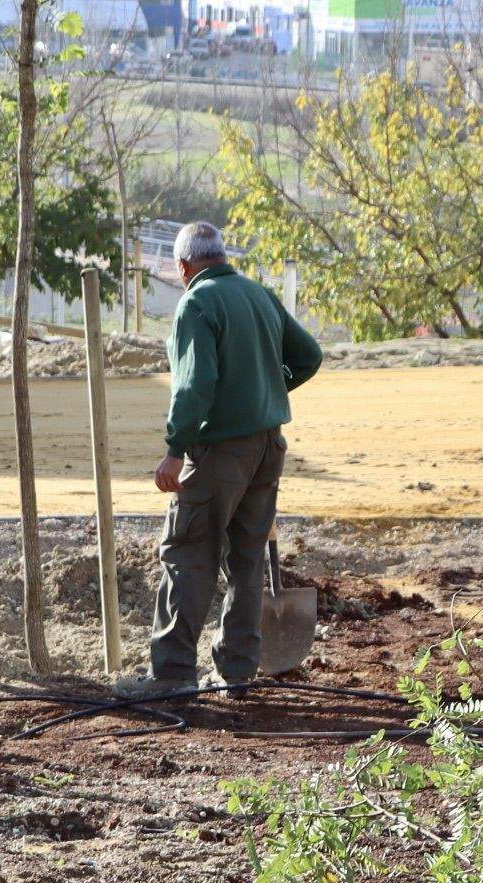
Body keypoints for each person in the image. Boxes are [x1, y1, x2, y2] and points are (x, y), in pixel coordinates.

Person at [139, 220, 324, 692]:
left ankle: (173, 674)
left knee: (189, 552)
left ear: (183, 266)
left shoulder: (196, 303)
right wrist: (264, 390)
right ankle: (238, 670)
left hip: (221, 452)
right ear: (221, 255)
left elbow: (195, 384)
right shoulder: (259, 294)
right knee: (246, 558)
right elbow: (309, 356)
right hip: (268, 445)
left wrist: (176, 449)